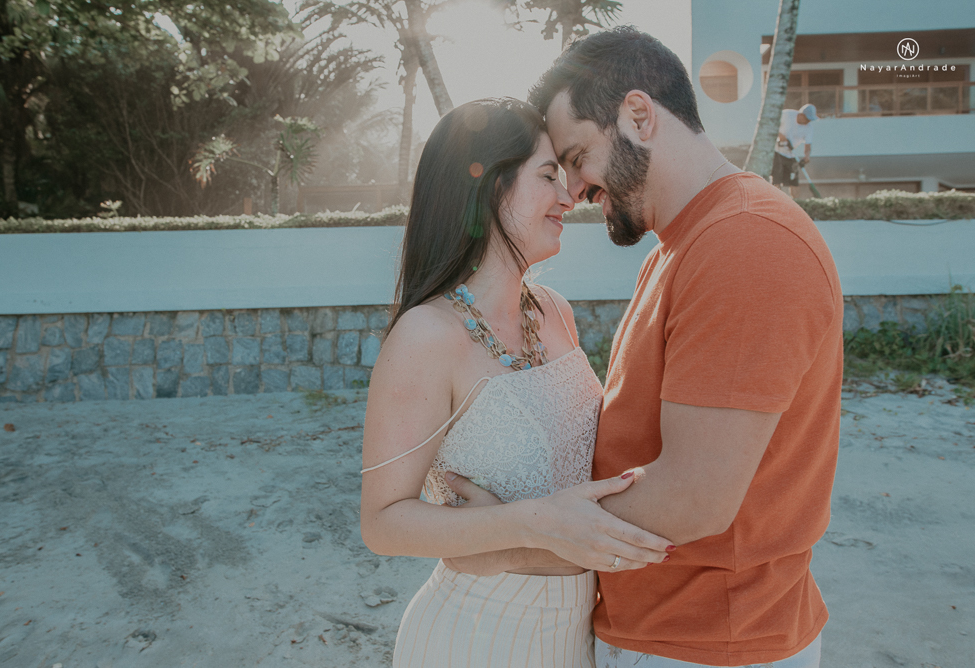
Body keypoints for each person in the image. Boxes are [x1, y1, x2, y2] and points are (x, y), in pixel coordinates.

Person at [447, 28, 842, 668]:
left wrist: (507, 545)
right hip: (674, 633)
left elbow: (692, 498)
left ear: (638, 114)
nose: (573, 191)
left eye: (577, 157)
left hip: (709, 643)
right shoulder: (687, 243)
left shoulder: (745, 245)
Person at [359, 98, 674, 667]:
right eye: (549, 175)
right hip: (475, 637)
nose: (569, 195)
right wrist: (526, 524)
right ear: (489, 186)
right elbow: (383, 523)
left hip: (577, 637)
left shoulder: (555, 311)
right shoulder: (427, 336)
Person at [772, 103, 818, 196]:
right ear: (801, 115)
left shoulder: (809, 128)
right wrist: (781, 136)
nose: (808, 122)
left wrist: (806, 156)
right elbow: (772, 124)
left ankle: (796, 203)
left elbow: (808, 146)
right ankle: (776, 201)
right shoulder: (787, 115)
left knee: (794, 181)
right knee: (776, 179)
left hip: (791, 154)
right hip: (777, 151)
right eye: (807, 119)